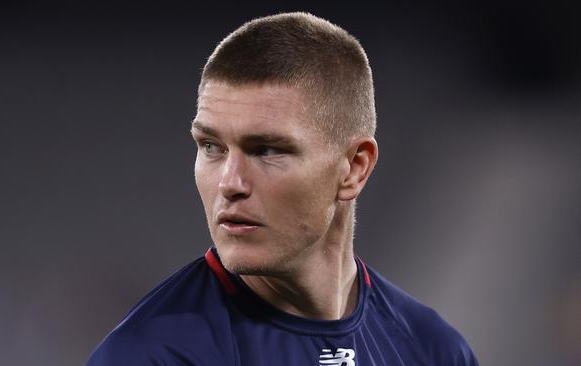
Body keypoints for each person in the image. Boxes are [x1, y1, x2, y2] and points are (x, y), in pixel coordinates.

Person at [87, 12, 478, 365]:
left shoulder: (434, 351)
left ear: (354, 168)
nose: (229, 183)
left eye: (266, 150)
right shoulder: (150, 356)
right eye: (211, 147)